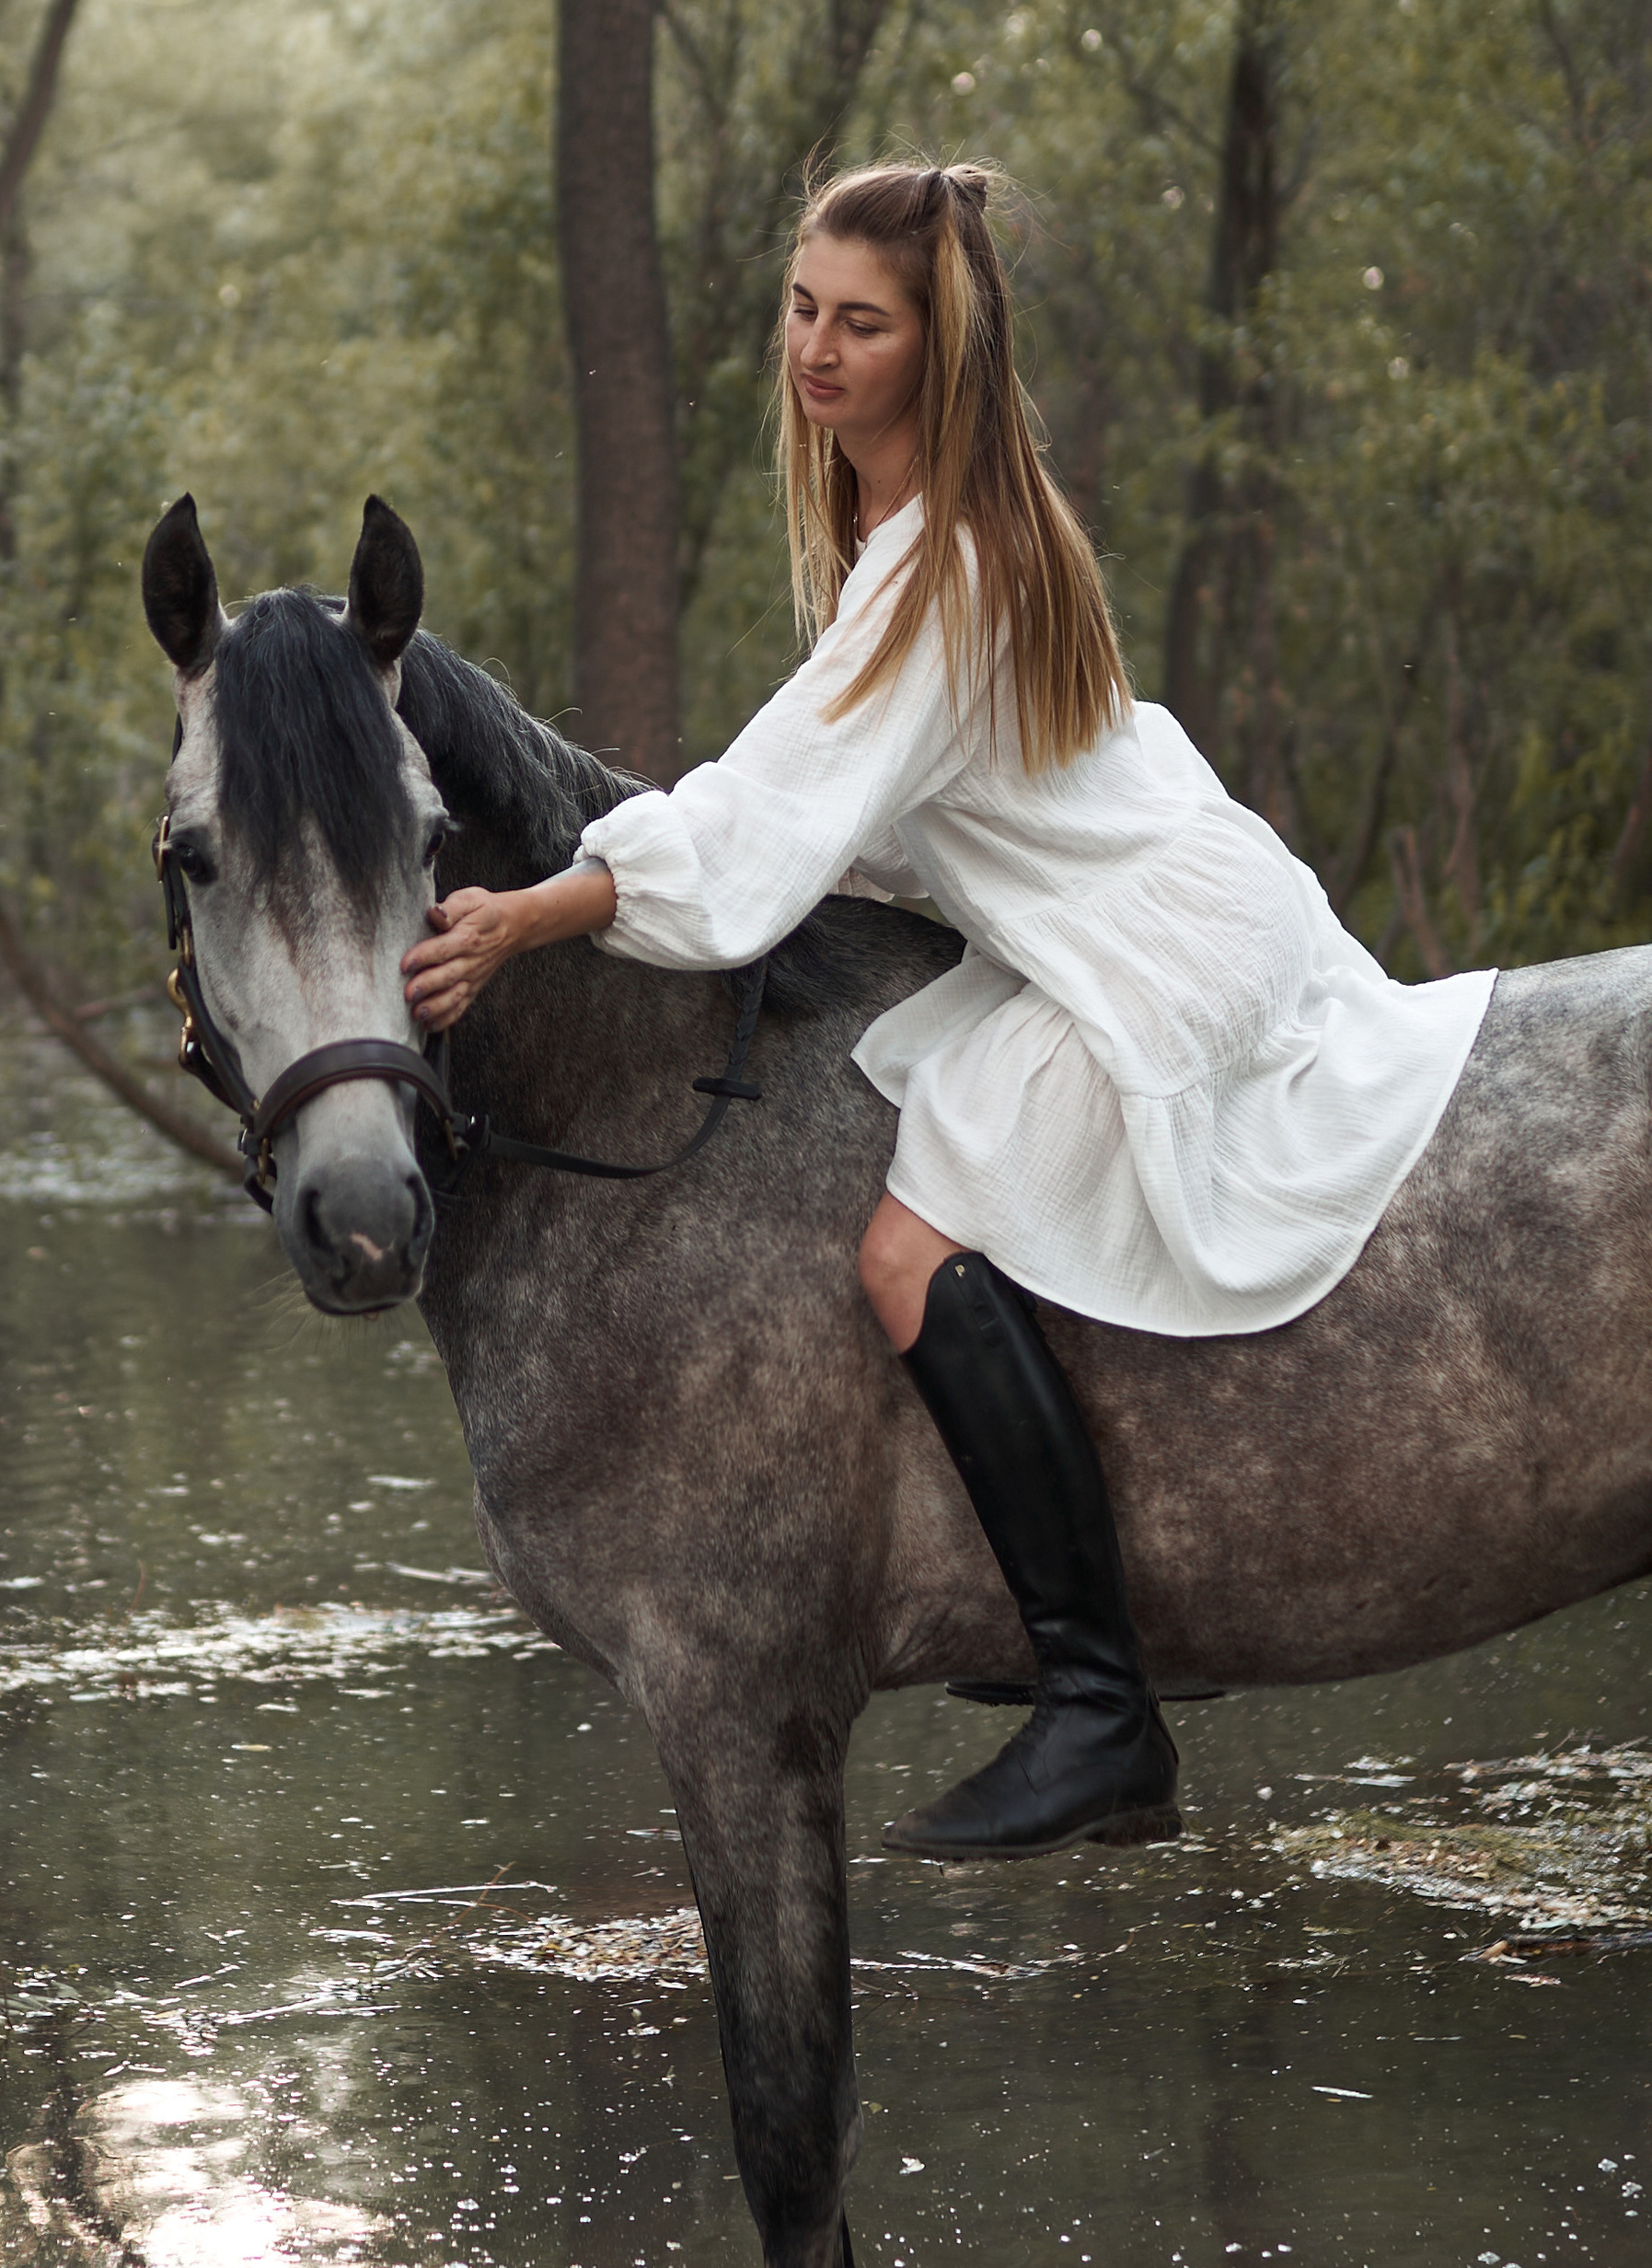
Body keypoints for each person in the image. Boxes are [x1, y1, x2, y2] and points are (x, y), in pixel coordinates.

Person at [400, 160, 1494, 1862]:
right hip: (1158, 896)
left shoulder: (938, 566)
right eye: (802, 310)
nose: (816, 352)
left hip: (1150, 935)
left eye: (864, 324)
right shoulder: (922, 532)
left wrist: (539, 910)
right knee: (955, 1127)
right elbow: (874, 816)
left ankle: (1102, 1703)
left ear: (941, 348)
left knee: (911, 1248)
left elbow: (768, 812)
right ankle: (1084, 1596)